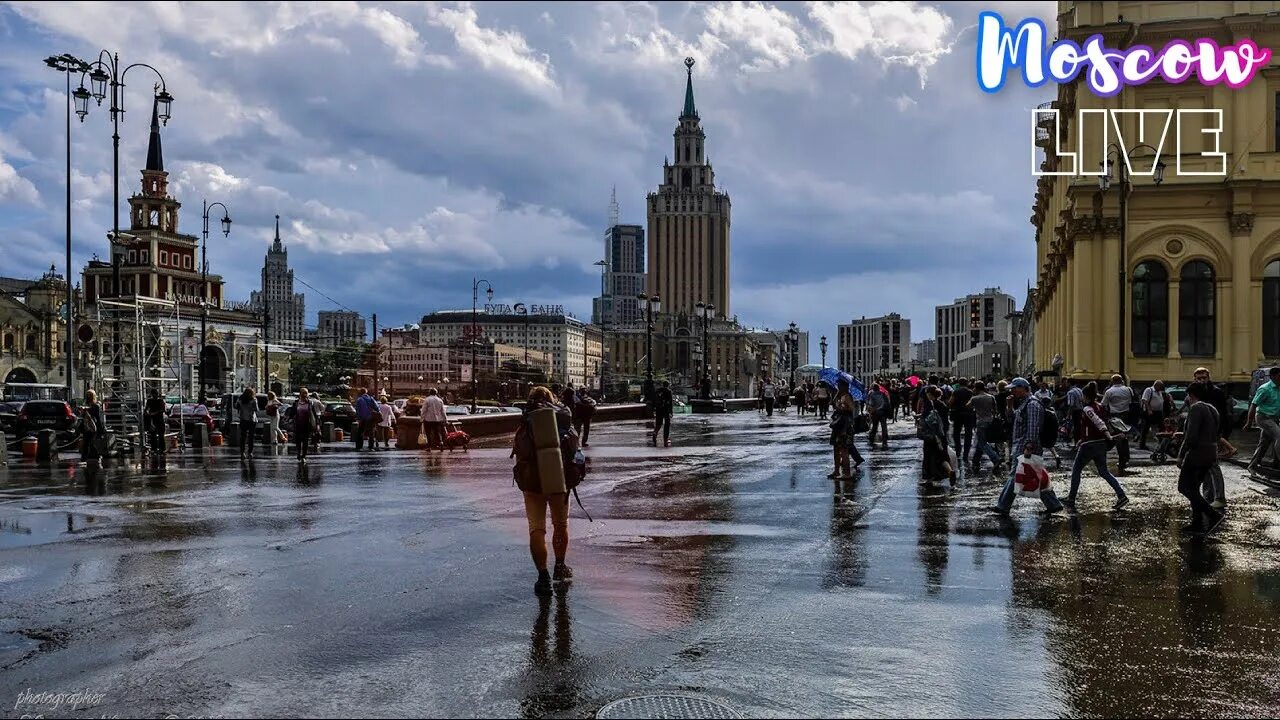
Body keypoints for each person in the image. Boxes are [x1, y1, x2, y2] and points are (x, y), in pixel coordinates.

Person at [514, 386, 575, 596]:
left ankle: (543, 577)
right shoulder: (563, 414)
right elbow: (574, 448)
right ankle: (560, 566)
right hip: (558, 479)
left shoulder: (526, 417)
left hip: (532, 482)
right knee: (560, 524)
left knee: (536, 528)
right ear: (551, 398)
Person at [992, 377, 1065, 515]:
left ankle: (1002, 506)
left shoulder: (1032, 404)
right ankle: (1053, 504)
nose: (1012, 391)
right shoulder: (1023, 403)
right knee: (1037, 476)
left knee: (1015, 475)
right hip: (1021, 444)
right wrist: (1009, 406)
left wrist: (1029, 446)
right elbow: (1012, 420)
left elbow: (1033, 426)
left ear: (1023, 388)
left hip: (1027, 446)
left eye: (1015, 388)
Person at [1063, 385, 1129, 512]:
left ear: (1086, 396)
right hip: (1100, 444)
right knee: (1104, 472)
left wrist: (1107, 434)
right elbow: (1096, 424)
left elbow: (1098, 422)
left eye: (1083, 395)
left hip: (1089, 445)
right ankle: (1121, 495)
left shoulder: (1087, 409)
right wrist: (1082, 438)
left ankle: (1071, 498)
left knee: (1076, 470)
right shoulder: (1100, 406)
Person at [1177, 383, 1225, 535]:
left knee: (1184, 487)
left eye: (1187, 395)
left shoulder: (1196, 408)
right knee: (1194, 489)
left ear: (1191, 395)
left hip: (1197, 454)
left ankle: (1213, 515)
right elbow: (1216, 433)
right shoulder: (1212, 409)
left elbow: (1192, 436)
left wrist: (1181, 454)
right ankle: (1197, 523)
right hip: (1210, 452)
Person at [1190, 367, 1232, 508]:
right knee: (1206, 466)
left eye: (1204, 377)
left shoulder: (1216, 392)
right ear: (1194, 379)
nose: (1202, 380)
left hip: (1213, 434)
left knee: (1213, 465)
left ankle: (1219, 497)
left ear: (1209, 377)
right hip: (1203, 434)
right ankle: (1209, 497)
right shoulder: (1195, 392)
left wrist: (1222, 436)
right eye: (1199, 378)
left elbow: (1223, 415)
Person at [1246, 366, 1280, 481]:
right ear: (1273, 376)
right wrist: (1249, 422)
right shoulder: (1265, 389)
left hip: (1274, 419)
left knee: (1264, 444)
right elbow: (1254, 404)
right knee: (1279, 436)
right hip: (1263, 418)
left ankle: (1252, 466)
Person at [829, 378, 864, 479]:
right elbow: (834, 405)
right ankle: (836, 471)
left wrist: (843, 407)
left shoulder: (848, 396)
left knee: (844, 448)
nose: (838, 387)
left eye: (840, 385)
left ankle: (847, 473)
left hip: (845, 425)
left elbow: (852, 409)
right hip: (838, 424)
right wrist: (836, 398)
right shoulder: (840, 395)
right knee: (836, 447)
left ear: (845, 386)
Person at [1102, 374, 1135, 474]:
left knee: (1118, 438)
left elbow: (1104, 404)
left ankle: (1122, 458)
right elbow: (1131, 401)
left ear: (1112, 381)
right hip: (1126, 415)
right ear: (1121, 381)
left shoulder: (1109, 391)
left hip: (1115, 416)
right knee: (1124, 437)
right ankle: (1126, 457)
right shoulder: (1128, 390)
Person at [969, 380, 1002, 474]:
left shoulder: (974, 398)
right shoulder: (991, 397)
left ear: (976, 388)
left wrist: (972, 398)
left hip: (980, 422)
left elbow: (967, 406)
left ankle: (995, 458)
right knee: (981, 442)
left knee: (983, 442)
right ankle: (976, 461)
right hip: (990, 421)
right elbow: (995, 410)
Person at [920, 386, 952, 484]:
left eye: (927, 393)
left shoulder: (928, 404)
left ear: (930, 394)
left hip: (931, 434)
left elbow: (925, 419)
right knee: (942, 455)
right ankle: (950, 471)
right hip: (941, 434)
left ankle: (930, 477)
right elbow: (946, 421)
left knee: (929, 455)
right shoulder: (942, 404)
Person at [289, 387, 322, 463]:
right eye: (303, 393)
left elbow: (314, 414)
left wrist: (316, 424)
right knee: (298, 440)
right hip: (298, 424)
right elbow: (292, 412)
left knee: (305, 441)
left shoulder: (310, 403)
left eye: (306, 393)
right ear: (300, 394)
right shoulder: (296, 402)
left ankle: (303, 456)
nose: (305, 394)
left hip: (307, 424)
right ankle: (298, 453)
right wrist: (289, 418)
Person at [949, 378, 976, 467]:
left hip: (958, 414)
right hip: (968, 414)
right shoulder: (970, 391)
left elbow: (951, 402)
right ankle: (966, 454)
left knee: (956, 432)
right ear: (967, 383)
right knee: (969, 433)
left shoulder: (956, 391)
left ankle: (958, 451)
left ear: (959, 383)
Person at [1138, 380, 1171, 449]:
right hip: (1150, 412)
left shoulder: (1159, 392)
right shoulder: (1149, 390)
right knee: (1145, 429)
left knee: (1162, 427)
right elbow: (1144, 400)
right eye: (1160, 386)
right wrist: (1149, 409)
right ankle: (1142, 445)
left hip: (1158, 412)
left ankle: (1162, 444)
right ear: (1156, 385)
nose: (1161, 388)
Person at [80, 389, 104, 464]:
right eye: (87, 395)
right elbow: (83, 416)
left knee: (92, 443)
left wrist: (100, 429)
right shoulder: (86, 404)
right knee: (86, 443)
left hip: (93, 427)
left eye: (90, 395)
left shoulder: (95, 405)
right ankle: (84, 459)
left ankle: (97, 456)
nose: (88, 397)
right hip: (87, 426)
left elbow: (98, 417)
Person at [865, 383, 889, 449]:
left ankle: (871, 439)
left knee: (875, 426)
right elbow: (886, 402)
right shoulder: (883, 394)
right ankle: (884, 440)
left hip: (874, 412)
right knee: (884, 426)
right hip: (882, 412)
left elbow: (869, 403)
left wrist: (870, 410)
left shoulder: (871, 394)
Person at [237, 387, 258, 459]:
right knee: (251, 437)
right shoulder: (253, 400)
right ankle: (250, 453)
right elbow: (256, 409)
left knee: (243, 437)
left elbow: (236, 406)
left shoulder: (240, 400)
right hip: (252, 419)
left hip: (243, 419)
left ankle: (242, 453)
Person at [145, 388, 167, 457]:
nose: (154, 395)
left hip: (158, 420)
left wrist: (152, 413)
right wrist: (147, 412)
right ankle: (156, 449)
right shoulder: (150, 401)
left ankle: (161, 449)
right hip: (154, 420)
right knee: (154, 435)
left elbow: (162, 410)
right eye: (153, 394)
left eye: (155, 394)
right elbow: (147, 409)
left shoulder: (160, 401)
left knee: (160, 435)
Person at [653, 380, 674, 447]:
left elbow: (654, 400)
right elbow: (670, 403)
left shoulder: (658, 391)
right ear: (668, 385)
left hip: (659, 409)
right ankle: (665, 440)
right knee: (667, 424)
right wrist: (671, 412)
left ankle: (655, 433)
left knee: (659, 423)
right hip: (666, 409)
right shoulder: (668, 391)